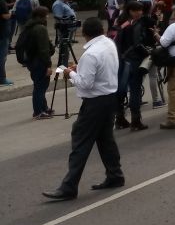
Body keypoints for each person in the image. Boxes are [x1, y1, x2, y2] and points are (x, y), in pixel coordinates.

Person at [42, 17, 124, 200]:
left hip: (95, 102)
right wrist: (80, 68)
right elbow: (100, 69)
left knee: (80, 140)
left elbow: (85, 84)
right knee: (105, 140)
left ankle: (69, 186)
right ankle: (115, 175)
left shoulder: (91, 53)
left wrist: (69, 72)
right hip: (109, 98)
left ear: (84, 34)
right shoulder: (108, 43)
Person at [114, 0, 156, 131]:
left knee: (121, 90)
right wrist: (148, 52)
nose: (139, 13)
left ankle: (119, 119)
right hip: (134, 60)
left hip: (121, 60)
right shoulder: (134, 25)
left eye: (140, 10)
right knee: (135, 89)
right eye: (136, 10)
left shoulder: (121, 22)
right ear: (130, 11)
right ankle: (136, 121)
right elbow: (137, 44)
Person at [18, 6, 54, 119]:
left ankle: (43, 107)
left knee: (39, 85)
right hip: (40, 61)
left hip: (31, 61)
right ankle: (38, 111)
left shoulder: (29, 26)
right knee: (40, 86)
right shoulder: (40, 28)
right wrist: (48, 65)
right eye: (46, 14)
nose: (48, 16)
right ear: (42, 16)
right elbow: (44, 49)